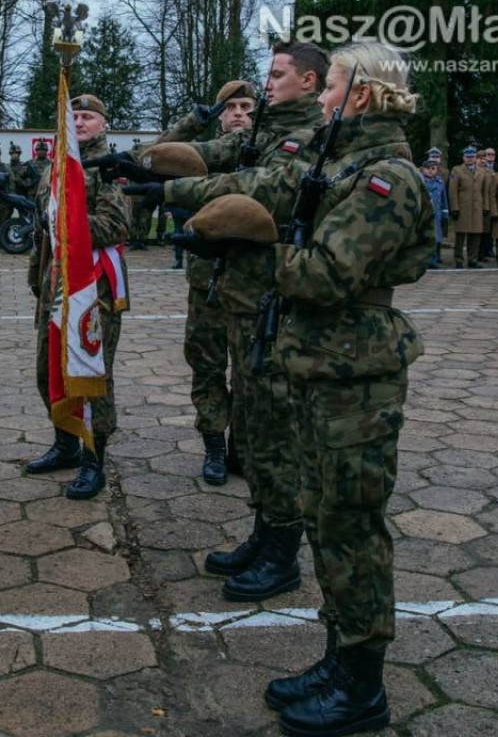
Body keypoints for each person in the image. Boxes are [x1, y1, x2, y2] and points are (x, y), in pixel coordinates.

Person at [157, 40, 433, 737]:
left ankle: (361, 687)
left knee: (352, 529)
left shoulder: (385, 178)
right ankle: (339, 663)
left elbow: (326, 274)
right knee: (328, 519)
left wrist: (251, 246)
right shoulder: (343, 160)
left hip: (357, 376)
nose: (323, 99)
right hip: (323, 365)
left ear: (363, 95)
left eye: (333, 85)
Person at [148, 41, 329, 602]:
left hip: (276, 300)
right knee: (253, 420)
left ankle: (281, 556)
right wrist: (150, 161)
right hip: (245, 297)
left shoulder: (312, 136)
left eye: (278, 75)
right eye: (268, 73)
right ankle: (263, 534)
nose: (267, 83)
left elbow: (264, 189)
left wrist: (170, 191)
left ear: (310, 81)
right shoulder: (265, 130)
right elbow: (211, 154)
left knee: (275, 430)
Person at [24, 94, 131, 500]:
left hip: (94, 289)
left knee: (89, 375)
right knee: (48, 368)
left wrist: (68, 217)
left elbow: (116, 225)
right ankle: (65, 444)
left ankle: (93, 460)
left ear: (104, 125)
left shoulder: (108, 168)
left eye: (89, 117)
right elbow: (44, 229)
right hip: (55, 282)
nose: (81, 122)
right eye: (76, 116)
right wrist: (37, 274)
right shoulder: (55, 164)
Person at [177, 78, 255, 488]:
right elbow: (157, 154)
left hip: (256, 282)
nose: (238, 114)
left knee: (250, 369)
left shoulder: (272, 155)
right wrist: (192, 122)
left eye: (245, 106)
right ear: (219, 116)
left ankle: (242, 446)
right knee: (207, 365)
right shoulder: (203, 158)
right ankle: (214, 445)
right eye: (230, 108)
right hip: (206, 280)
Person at [448, 146, 489, 268]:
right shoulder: (457, 170)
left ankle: (473, 259)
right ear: (463, 157)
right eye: (467, 157)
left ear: (475, 158)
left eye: (472, 157)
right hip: (463, 208)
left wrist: (486, 206)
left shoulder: (482, 171)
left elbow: (485, 191)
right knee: (460, 236)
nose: (470, 159)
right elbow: (452, 191)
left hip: (477, 207)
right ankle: (459, 259)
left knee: (475, 235)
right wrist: (454, 207)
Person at [421, 159, 448, 268]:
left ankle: (434, 259)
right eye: (428, 168)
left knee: (436, 237)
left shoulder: (440, 182)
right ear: (423, 169)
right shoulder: (420, 181)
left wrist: (445, 213)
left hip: (437, 214)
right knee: (425, 237)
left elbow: (444, 200)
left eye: (433, 169)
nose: (430, 171)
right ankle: (426, 261)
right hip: (424, 214)